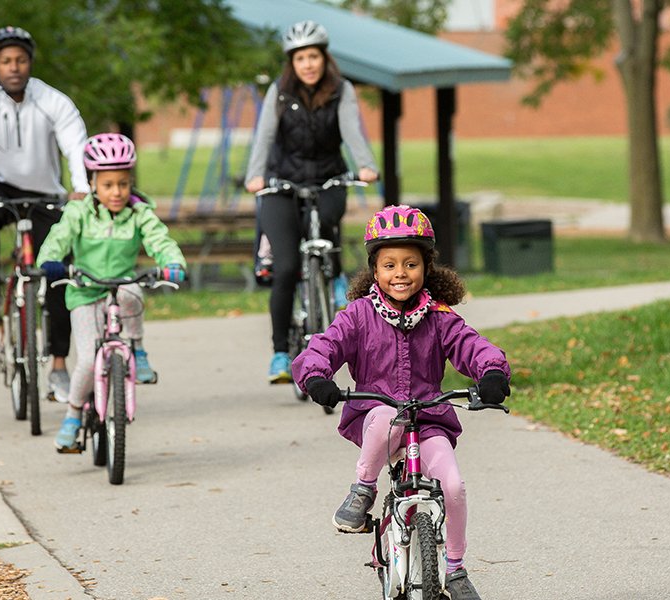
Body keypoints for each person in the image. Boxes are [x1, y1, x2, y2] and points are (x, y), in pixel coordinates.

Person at [292, 205, 511, 600]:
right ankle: (363, 489)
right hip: (376, 418)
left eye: (410, 264)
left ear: (426, 268)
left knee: (454, 485)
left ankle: (457, 571)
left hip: (428, 420)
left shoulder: (441, 318)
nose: (400, 274)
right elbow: (323, 347)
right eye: (389, 265)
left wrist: (491, 373)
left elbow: (473, 347)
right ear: (374, 271)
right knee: (385, 415)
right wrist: (316, 376)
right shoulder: (358, 316)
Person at [0, 25, 90, 401]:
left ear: (30, 63)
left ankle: (59, 368)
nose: (14, 67)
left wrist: (82, 188)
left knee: (58, 274)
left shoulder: (52, 100)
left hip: (45, 192)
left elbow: (75, 143)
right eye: (6, 61)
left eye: (21, 60)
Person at [244, 20, 379, 384]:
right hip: (280, 181)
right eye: (301, 58)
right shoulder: (280, 91)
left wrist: (365, 166)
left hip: (328, 177)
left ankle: (333, 275)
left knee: (329, 215)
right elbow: (264, 136)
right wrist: (255, 175)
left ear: (324, 58)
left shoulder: (341, 90)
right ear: (293, 61)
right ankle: (279, 354)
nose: (308, 64)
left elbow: (352, 130)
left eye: (314, 56)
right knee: (286, 267)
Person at [35, 133, 187, 451]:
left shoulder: (139, 212)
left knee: (133, 290)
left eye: (123, 183)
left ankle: (138, 351)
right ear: (92, 183)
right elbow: (59, 236)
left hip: (119, 286)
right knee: (88, 362)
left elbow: (159, 239)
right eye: (108, 185)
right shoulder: (79, 212)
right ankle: (73, 414)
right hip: (84, 291)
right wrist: (50, 261)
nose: (116, 192)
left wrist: (172, 262)